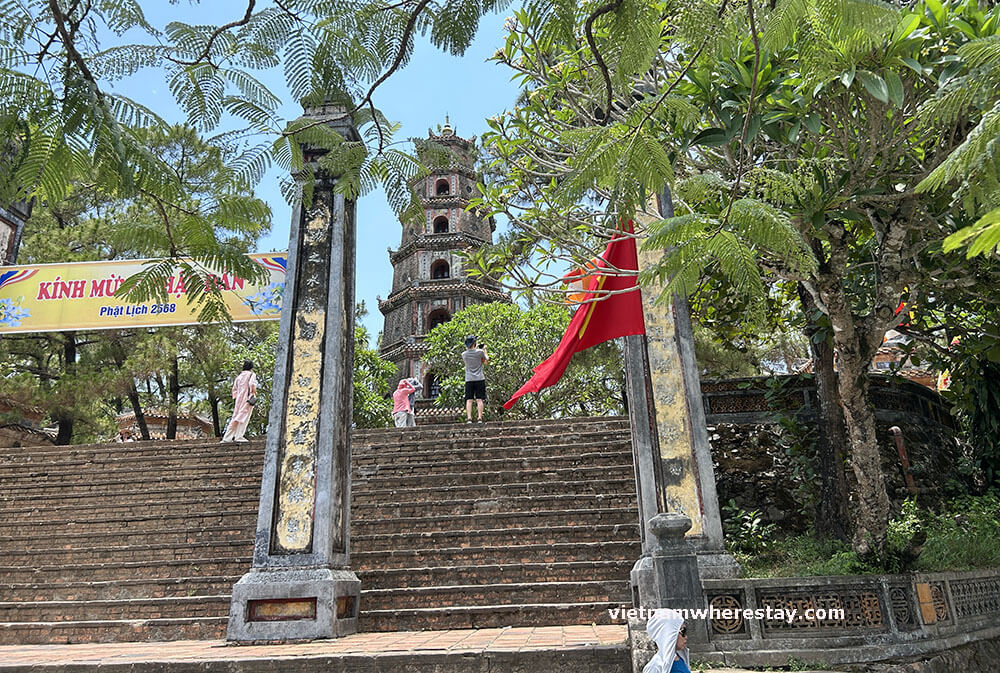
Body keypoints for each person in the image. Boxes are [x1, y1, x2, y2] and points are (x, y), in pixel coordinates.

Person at [222, 360, 258, 442]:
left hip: (239, 400)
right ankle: (239, 436)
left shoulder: (239, 376)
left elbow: (234, 389)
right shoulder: (252, 374)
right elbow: (252, 384)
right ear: (251, 367)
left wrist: (237, 397)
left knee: (235, 417)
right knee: (244, 417)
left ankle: (227, 438)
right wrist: (254, 392)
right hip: (248, 399)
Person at [462, 335, 488, 423]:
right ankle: (479, 418)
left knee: (469, 399)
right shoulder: (480, 352)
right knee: (479, 399)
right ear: (474, 343)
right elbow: (486, 361)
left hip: (469, 379)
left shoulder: (464, 354)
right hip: (479, 378)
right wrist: (484, 349)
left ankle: (469, 418)